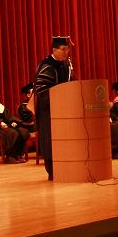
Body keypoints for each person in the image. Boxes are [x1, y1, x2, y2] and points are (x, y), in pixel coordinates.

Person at [32, 36, 74, 180]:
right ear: (54, 50)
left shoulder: (66, 65)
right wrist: (61, 98)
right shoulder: (46, 66)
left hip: (64, 110)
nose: (66, 52)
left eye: (67, 49)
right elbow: (42, 91)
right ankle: (52, 172)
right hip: (48, 111)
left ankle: (67, 169)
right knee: (50, 141)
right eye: (63, 49)